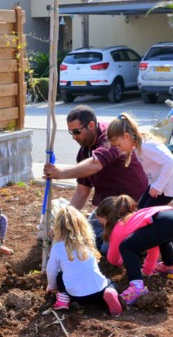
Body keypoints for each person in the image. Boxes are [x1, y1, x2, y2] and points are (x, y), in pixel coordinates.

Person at [43, 105, 149, 251]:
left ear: (91, 125)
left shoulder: (110, 137)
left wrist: (62, 173)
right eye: (71, 133)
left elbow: (96, 164)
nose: (74, 137)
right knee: (84, 238)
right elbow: (81, 192)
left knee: (106, 249)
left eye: (77, 131)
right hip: (108, 209)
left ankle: (141, 245)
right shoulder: (84, 153)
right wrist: (63, 223)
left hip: (131, 205)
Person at [96, 195, 173, 305]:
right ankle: (169, 267)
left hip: (167, 222)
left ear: (108, 218)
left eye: (101, 222)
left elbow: (113, 258)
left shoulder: (120, 225)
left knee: (127, 246)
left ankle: (137, 288)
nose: (102, 226)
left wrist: (121, 262)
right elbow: (153, 247)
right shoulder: (136, 217)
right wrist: (146, 271)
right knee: (162, 239)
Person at [46, 206, 123, 316]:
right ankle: (110, 292)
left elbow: (51, 271)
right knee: (111, 283)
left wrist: (52, 286)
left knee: (59, 275)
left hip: (75, 296)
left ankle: (63, 299)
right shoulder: (87, 243)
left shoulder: (57, 247)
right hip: (98, 292)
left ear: (57, 227)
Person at [106, 113, 173, 209]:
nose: (119, 149)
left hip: (169, 185)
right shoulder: (137, 146)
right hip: (158, 184)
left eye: (119, 145)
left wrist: (158, 186)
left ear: (126, 136)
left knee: (145, 213)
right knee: (140, 210)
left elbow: (169, 162)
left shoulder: (146, 146)